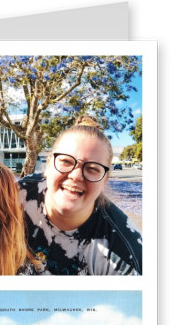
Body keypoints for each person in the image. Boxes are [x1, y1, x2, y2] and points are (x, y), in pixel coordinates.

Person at [19, 116, 142, 275]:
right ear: (48, 165)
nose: (76, 176)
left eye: (92, 168)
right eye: (66, 162)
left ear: (105, 180)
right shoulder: (15, 196)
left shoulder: (124, 253)